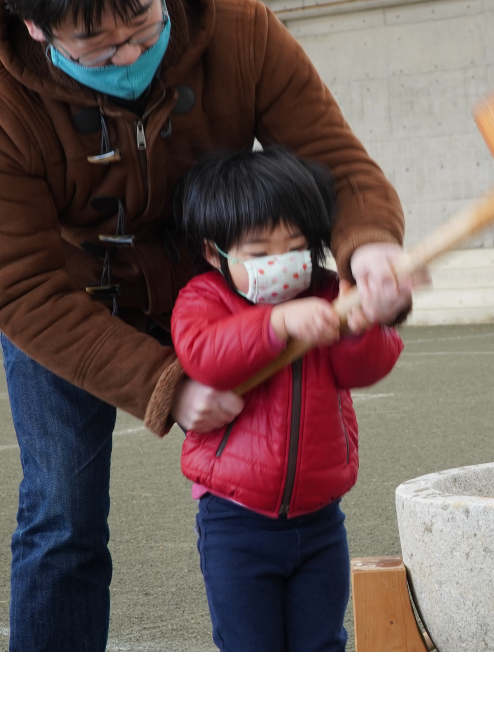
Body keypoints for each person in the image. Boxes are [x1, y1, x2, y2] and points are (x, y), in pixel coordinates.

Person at [0, 0, 414, 652]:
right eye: (98, 45)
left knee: (284, 483)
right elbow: (22, 288)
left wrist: (370, 245)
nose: (130, 51)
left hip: (226, 295)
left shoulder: (244, 32)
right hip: (74, 312)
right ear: (37, 28)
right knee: (61, 517)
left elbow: (336, 162)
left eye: (140, 19)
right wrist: (168, 382)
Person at [172, 147, 402, 651]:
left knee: (321, 644)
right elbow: (204, 356)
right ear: (216, 253)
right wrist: (275, 324)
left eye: (295, 247)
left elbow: (365, 369)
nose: (280, 263)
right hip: (235, 520)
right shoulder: (203, 299)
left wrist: (362, 326)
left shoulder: (327, 294)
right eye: (258, 253)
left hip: (321, 518)